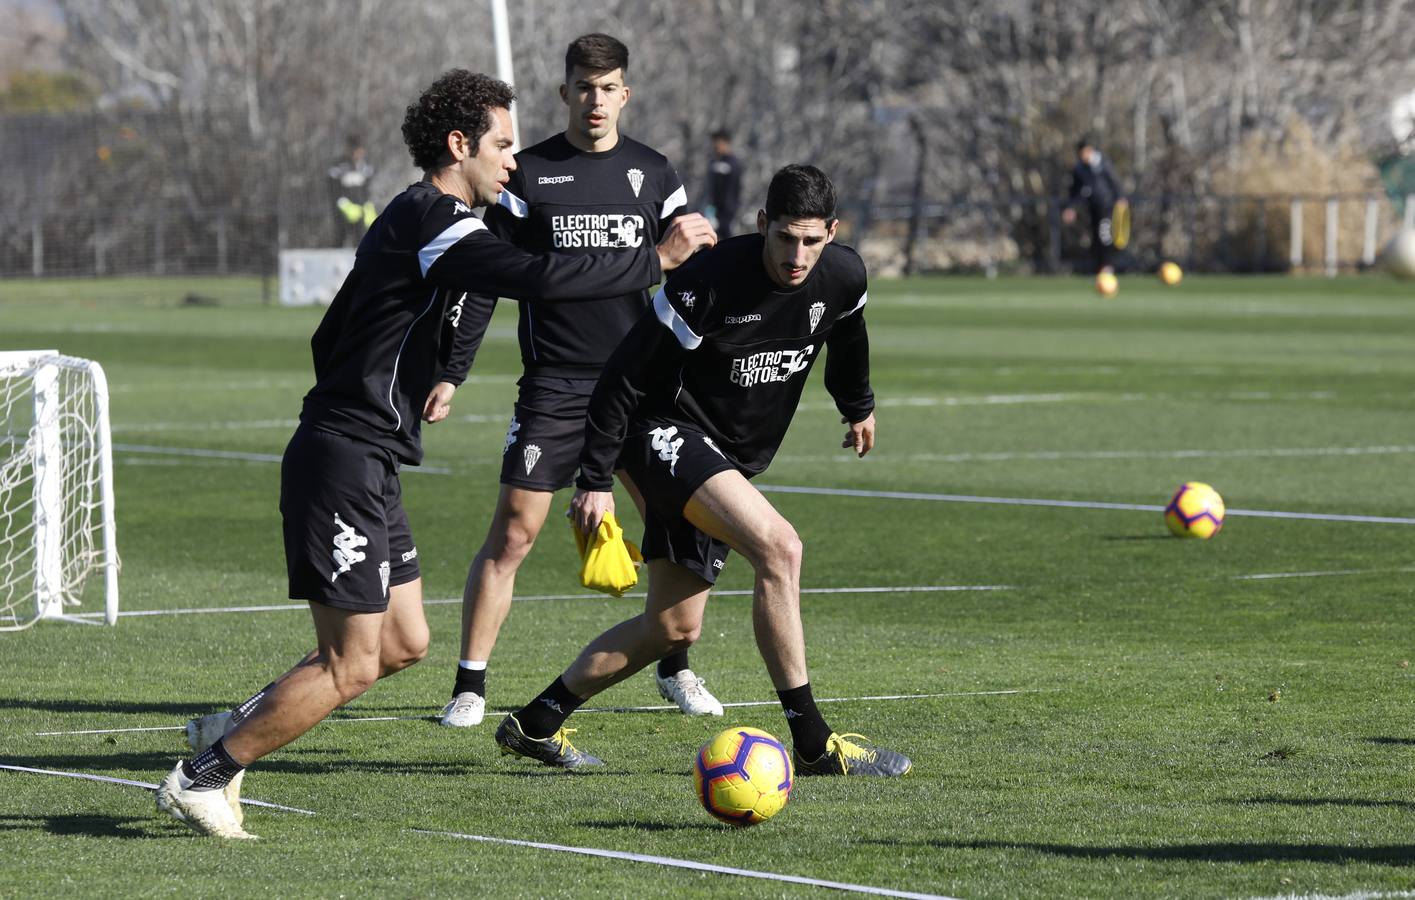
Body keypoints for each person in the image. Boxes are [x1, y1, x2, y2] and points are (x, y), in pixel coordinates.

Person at [159, 69, 712, 839]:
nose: (514, 162)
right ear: (459, 147)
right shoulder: (432, 215)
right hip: (343, 457)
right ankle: (204, 775)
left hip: (366, 455)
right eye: (502, 145)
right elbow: (539, 276)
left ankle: (242, 721)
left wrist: (382, 389)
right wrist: (657, 260)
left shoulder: (429, 221)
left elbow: (335, 331)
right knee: (352, 662)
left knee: (404, 643)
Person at [494, 164, 911, 777]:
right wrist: (594, 480)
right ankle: (813, 742)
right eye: (785, 238)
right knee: (780, 549)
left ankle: (534, 723)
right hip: (662, 433)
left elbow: (847, 337)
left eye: (812, 241)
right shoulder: (709, 282)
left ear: (832, 233)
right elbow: (623, 377)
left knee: (671, 627)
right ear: (762, 224)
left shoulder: (844, 275)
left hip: (727, 459)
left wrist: (859, 406)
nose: (797, 256)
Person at [436, 34, 723, 731]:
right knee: (513, 534)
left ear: (625, 93)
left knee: (675, 524)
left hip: (643, 385)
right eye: (583, 88)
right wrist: (451, 369)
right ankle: (469, 686)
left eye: (608, 88)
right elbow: (483, 281)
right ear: (564, 93)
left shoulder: (653, 172)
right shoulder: (526, 174)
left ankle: (676, 666)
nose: (595, 101)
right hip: (556, 386)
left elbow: (692, 273)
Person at [1061, 137, 1127, 274]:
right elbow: (1075, 191)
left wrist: (1120, 197)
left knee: (1105, 236)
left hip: (1107, 206)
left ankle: (1108, 266)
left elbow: (1114, 181)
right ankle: (1100, 266)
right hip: (1091, 208)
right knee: (1096, 238)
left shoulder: (1102, 163)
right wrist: (1071, 208)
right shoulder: (1079, 169)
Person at [329, 136, 377, 245]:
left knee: (364, 241)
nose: (358, 154)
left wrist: (369, 204)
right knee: (340, 239)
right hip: (344, 213)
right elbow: (332, 188)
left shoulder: (366, 166)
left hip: (362, 211)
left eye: (360, 150)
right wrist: (343, 204)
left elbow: (369, 186)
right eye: (355, 150)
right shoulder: (339, 166)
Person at [703, 128, 742, 235]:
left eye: (718, 142)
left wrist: (726, 214)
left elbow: (732, 191)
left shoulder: (731, 163)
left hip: (727, 214)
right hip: (715, 211)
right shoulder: (715, 162)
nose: (715, 146)